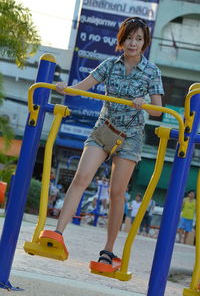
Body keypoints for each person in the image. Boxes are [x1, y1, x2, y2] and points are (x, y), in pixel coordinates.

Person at [49, 16, 164, 268]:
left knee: (116, 193)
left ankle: (109, 251)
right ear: (121, 40)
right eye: (129, 38)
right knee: (81, 178)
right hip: (104, 129)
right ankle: (56, 234)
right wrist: (63, 88)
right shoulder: (110, 64)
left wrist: (144, 104)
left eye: (138, 39)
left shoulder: (152, 71)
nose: (133, 43)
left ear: (145, 43)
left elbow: (158, 111)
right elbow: (82, 87)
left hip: (130, 136)